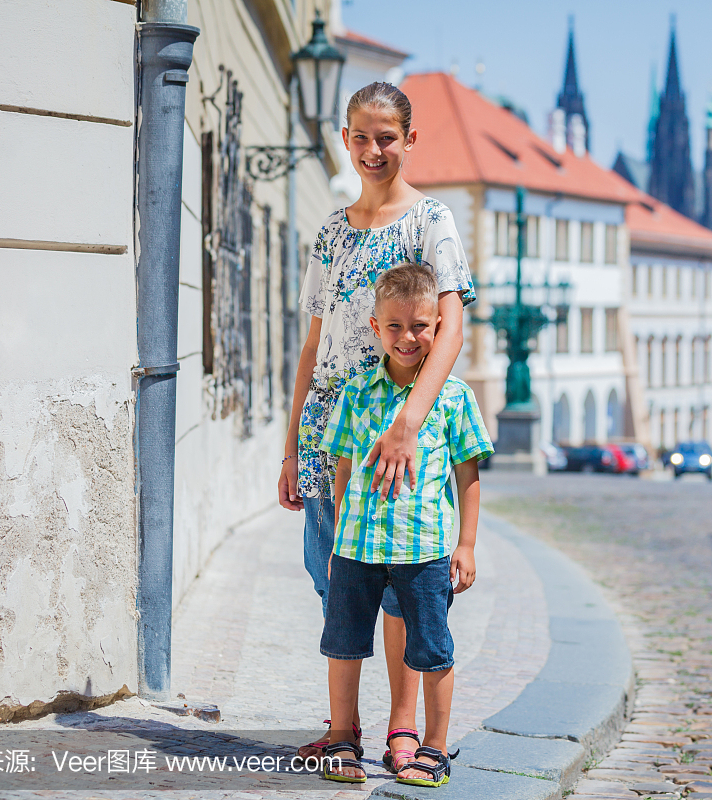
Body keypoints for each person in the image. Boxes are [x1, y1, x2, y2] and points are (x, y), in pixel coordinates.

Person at [277, 82, 476, 765]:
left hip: (394, 433)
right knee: (337, 581)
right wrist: (290, 448)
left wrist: (409, 423)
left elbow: (451, 329)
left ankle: (401, 728)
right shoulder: (331, 230)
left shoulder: (431, 221)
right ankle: (344, 729)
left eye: (386, 137)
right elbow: (313, 345)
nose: (372, 149)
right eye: (360, 136)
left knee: (398, 585)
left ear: (408, 141)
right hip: (327, 434)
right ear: (345, 140)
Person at [318, 264, 493, 786]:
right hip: (357, 548)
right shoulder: (355, 393)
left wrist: (466, 544)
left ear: (439, 326)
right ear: (376, 328)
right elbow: (343, 466)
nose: (408, 337)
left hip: (424, 551)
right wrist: (339, 538)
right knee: (343, 645)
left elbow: (468, 474)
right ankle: (343, 739)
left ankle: (434, 749)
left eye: (420, 326)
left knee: (432, 649)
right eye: (394, 326)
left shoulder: (454, 398)